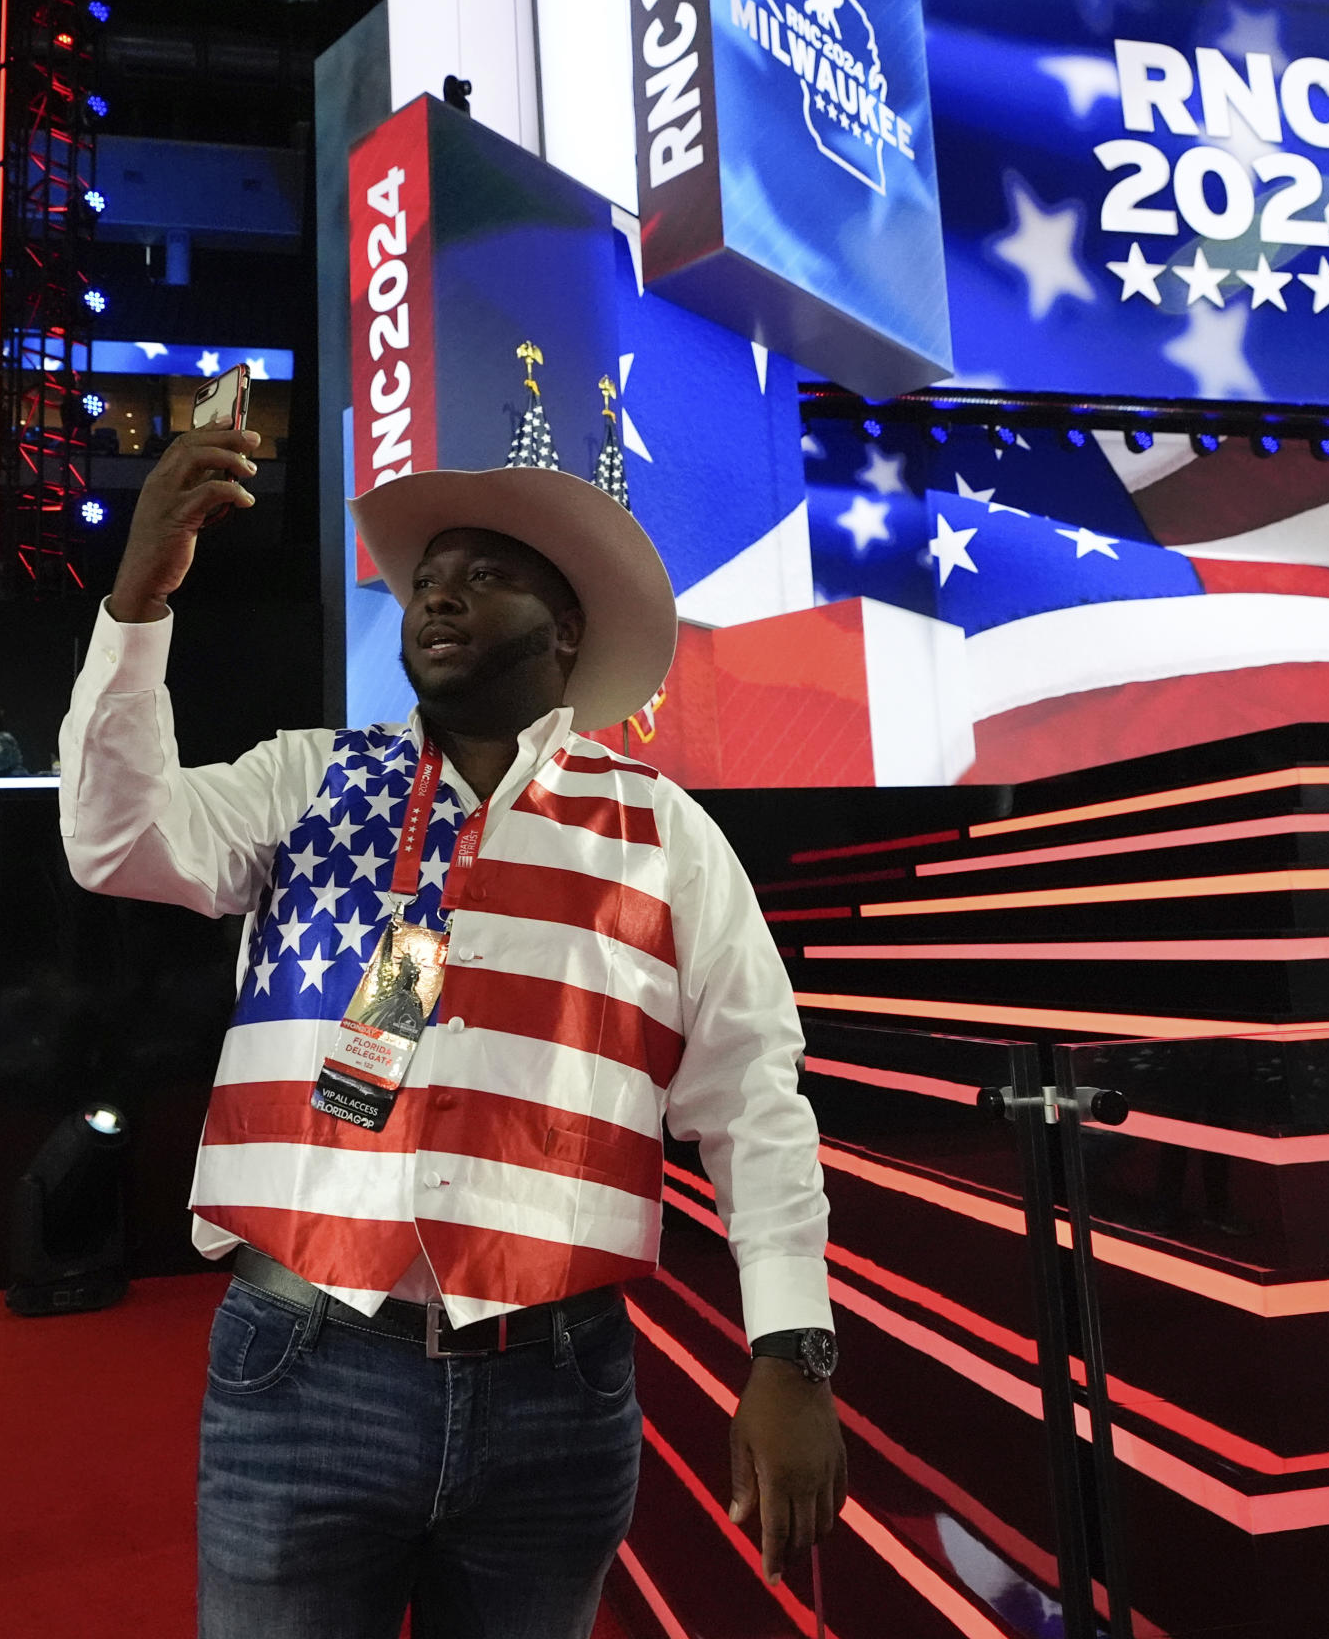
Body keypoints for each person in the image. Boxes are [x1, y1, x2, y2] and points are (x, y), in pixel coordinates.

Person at [60, 422, 844, 1639]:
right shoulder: (308, 778)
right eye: (428, 577)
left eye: (485, 574)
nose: (440, 592)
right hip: (303, 1368)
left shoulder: (662, 829)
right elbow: (113, 842)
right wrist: (137, 602)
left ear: (569, 629)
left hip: (559, 1385)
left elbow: (752, 1094)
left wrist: (792, 1350)